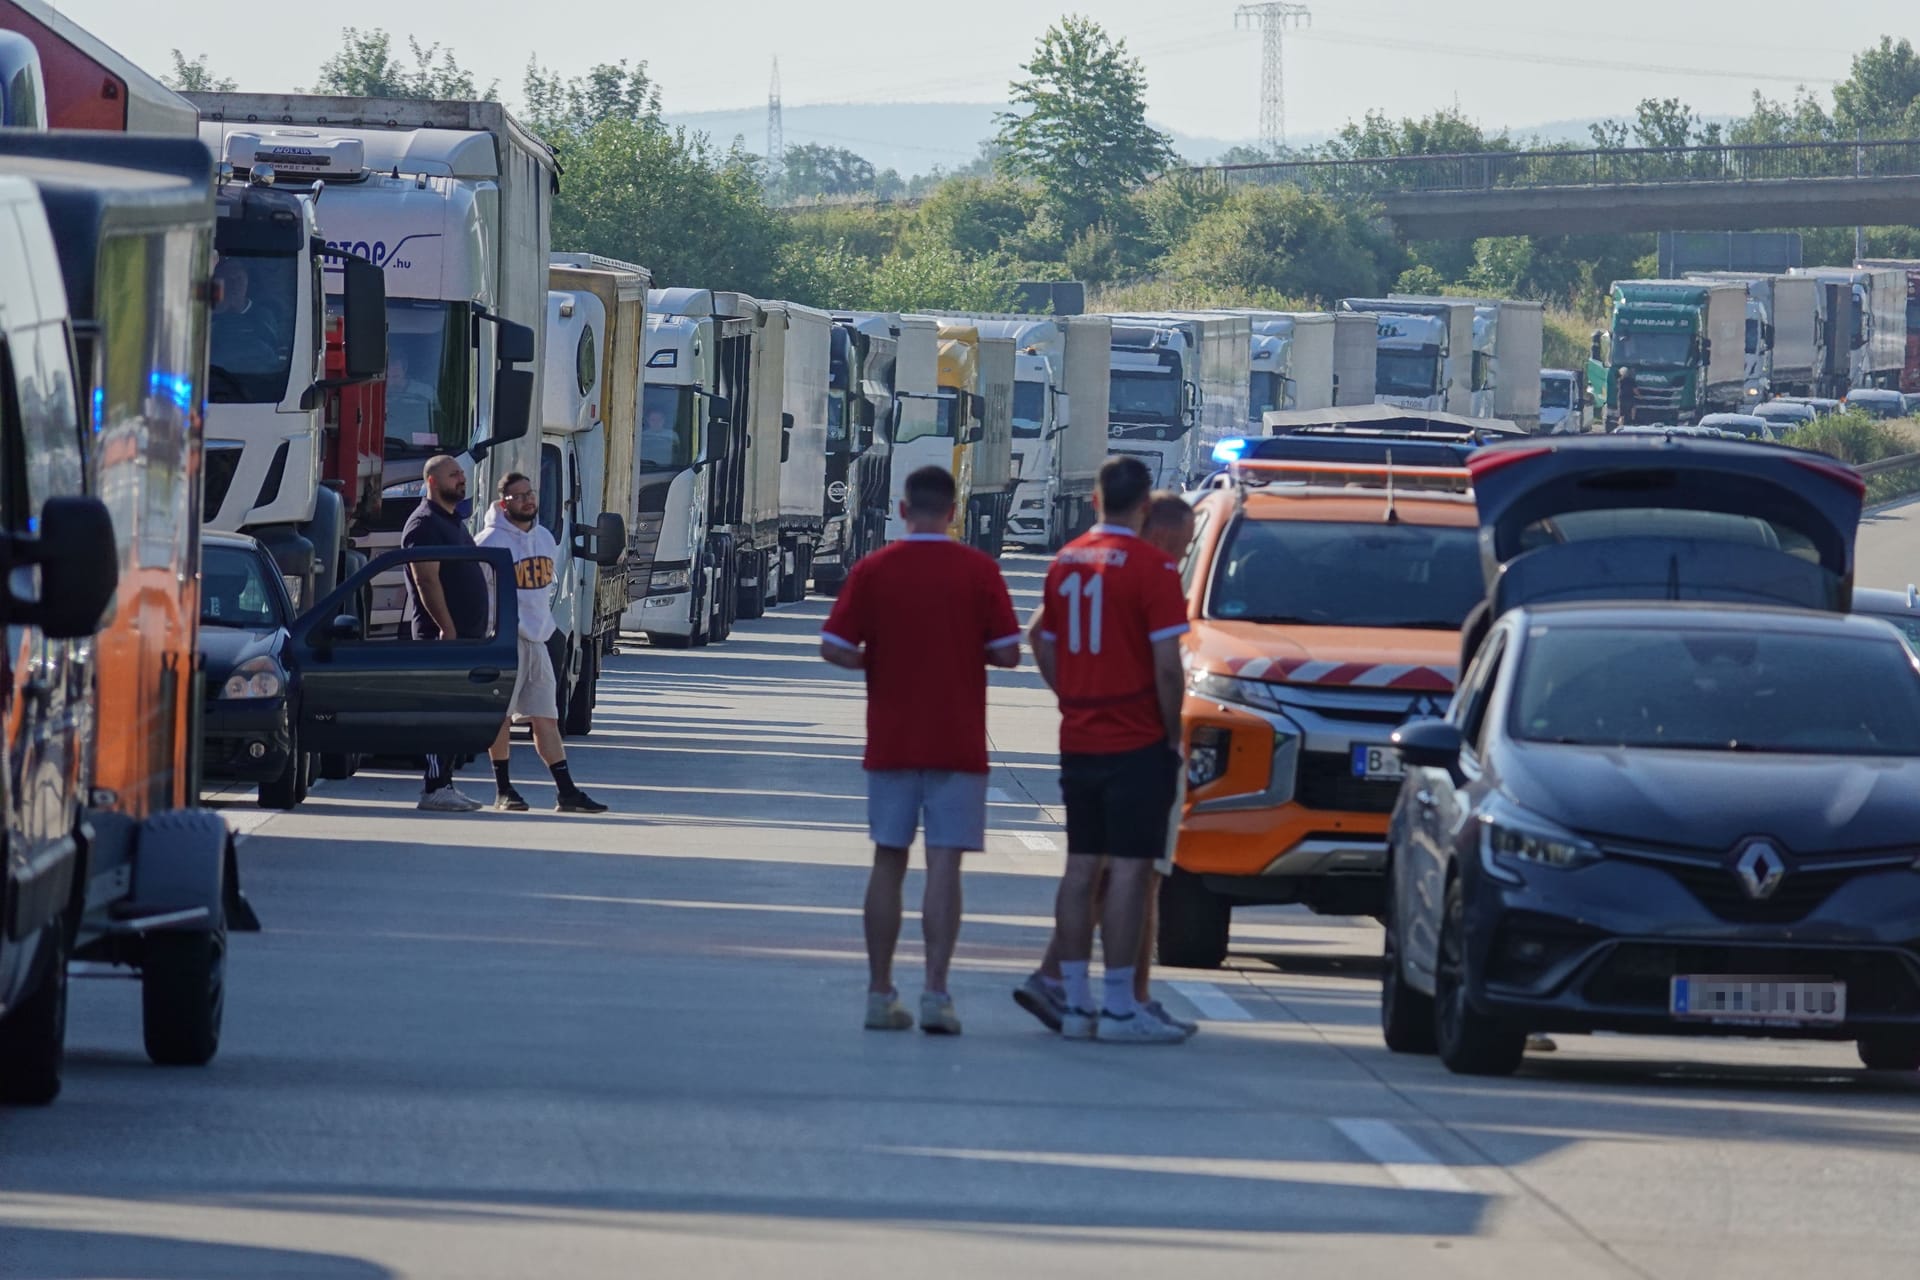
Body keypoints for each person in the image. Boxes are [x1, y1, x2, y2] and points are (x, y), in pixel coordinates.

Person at [820, 465, 1021, 1035]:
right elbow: (1008, 653)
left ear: (904, 511)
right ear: (954, 511)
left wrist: (875, 663)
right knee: (944, 865)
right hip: (957, 743)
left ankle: (880, 992)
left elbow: (833, 647)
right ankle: (936, 990)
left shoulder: (875, 569)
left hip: (891, 739)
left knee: (889, 860)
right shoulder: (978, 570)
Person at [1016, 491, 1198, 1039]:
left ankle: (1063, 983)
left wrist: (1071, 696)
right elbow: (1170, 669)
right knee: (1137, 874)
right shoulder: (1153, 570)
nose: (1185, 555)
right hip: (1140, 739)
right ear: (1162, 532)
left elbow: (1036, 633)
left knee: (1092, 869)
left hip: (1084, 736)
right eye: (1185, 544)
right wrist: (1170, 734)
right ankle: (1127, 1000)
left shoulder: (1080, 560)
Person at [477, 473, 609, 815]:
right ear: (503, 502)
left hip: (538, 639)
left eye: (530, 493)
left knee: (546, 717)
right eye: (518, 496)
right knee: (501, 718)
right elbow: (479, 594)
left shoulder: (545, 538)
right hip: (504, 640)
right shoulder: (489, 542)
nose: (527, 500)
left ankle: (567, 792)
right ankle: (504, 790)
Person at [402, 454, 491, 812]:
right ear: (432, 482)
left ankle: (446, 784)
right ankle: (434, 787)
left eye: (463, 475)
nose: (461, 480)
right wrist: (446, 627)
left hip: (466, 637)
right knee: (440, 712)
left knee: (456, 714)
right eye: (454, 475)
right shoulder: (423, 523)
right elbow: (426, 579)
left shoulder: (453, 521)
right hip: (442, 639)